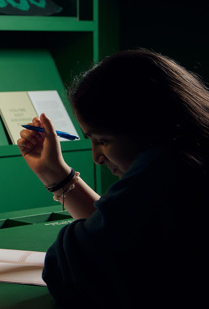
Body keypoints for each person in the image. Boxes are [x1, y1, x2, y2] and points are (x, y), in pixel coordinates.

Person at [17, 49, 209, 308]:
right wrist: (55, 174)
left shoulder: (166, 168)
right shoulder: (191, 156)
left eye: (103, 141)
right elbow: (119, 230)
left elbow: (69, 270)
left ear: (146, 126)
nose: (97, 157)